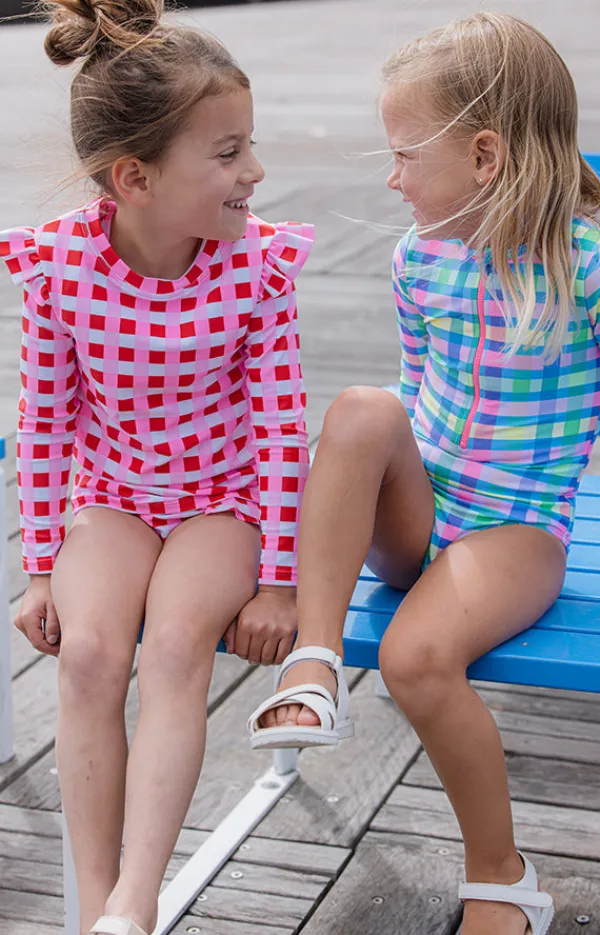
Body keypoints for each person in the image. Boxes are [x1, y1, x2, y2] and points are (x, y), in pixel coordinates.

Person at [248, 12, 600, 935]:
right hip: (422, 511)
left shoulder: (593, 269)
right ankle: (315, 659)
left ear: (485, 156)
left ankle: (502, 873)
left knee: (416, 660)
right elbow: (413, 396)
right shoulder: (418, 257)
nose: (393, 178)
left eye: (406, 156)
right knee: (362, 407)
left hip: (515, 530)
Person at [0, 2, 312, 933]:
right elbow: (45, 422)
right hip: (113, 495)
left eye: (249, 146)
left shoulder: (256, 269)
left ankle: (135, 900)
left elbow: (282, 430)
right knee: (90, 653)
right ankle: (96, 909)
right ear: (135, 178)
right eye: (228, 153)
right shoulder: (59, 267)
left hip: (225, 498)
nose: (254, 172)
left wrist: (280, 581)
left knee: (176, 646)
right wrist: (41, 566)